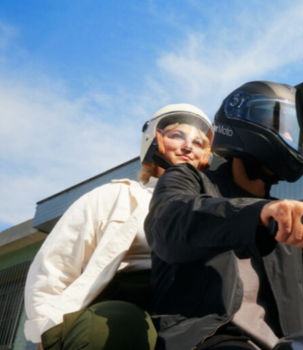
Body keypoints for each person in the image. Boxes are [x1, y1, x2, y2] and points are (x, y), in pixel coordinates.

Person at [145, 81, 303, 350]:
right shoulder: (188, 179)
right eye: (277, 121)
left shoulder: (285, 223)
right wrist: (258, 212)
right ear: (240, 119)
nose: (288, 133)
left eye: (294, 130)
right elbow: (171, 222)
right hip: (206, 341)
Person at [24, 103, 213, 350]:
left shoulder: (216, 208)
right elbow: (55, 266)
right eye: (177, 136)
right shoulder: (112, 197)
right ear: (153, 140)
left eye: (199, 143)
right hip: (122, 312)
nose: (188, 146)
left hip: (192, 311)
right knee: (115, 326)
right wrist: (43, 332)